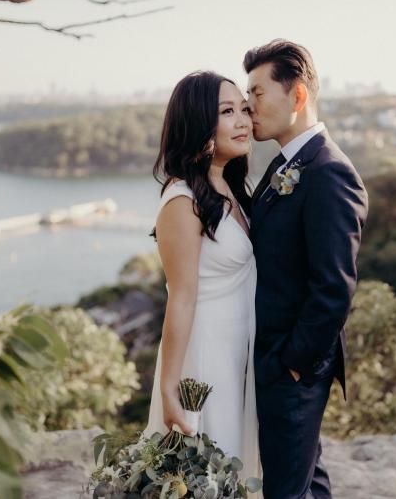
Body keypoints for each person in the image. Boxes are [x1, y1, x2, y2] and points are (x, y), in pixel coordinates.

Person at [245, 39, 369, 499]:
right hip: (274, 364)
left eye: (257, 93)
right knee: (305, 485)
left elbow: (334, 289)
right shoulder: (288, 163)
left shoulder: (328, 171)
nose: (248, 105)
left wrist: (291, 367)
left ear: (297, 96)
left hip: (292, 372)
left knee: (286, 492)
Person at [143, 70, 262, 488]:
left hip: (237, 354)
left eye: (244, 109)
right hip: (205, 359)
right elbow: (182, 298)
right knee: (208, 473)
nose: (244, 121)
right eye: (228, 112)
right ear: (198, 124)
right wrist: (171, 389)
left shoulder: (229, 188)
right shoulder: (182, 200)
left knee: (232, 476)